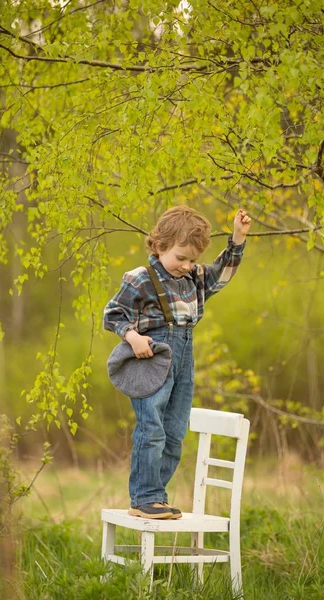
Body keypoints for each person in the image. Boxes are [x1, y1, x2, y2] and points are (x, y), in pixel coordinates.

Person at [103, 205, 251, 519]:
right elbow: (113, 314)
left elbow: (222, 274)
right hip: (151, 358)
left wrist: (237, 238)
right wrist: (133, 337)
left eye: (193, 259)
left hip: (184, 358)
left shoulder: (195, 278)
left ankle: (156, 496)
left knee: (174, 432)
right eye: (180, 257)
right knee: (152, 428)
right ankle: (144, 497)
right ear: (159, 246)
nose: (186, 265)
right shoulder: (139, 279)